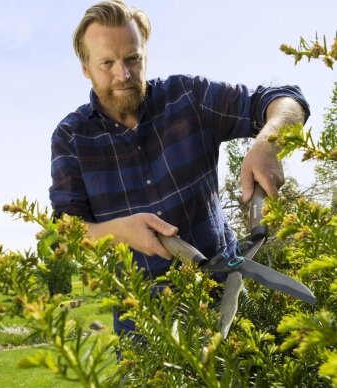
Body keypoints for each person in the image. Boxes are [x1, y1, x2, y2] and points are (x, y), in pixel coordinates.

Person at [49, 0, 310, 339]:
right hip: (144, 329)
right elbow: (63, 234)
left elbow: (286, 99)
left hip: (226, 298)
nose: (123, 75)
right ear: (85, 68)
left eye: (133, 58)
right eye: (107, 63)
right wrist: (117, 231)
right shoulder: (71, 137)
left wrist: (269, 142)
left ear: (145, 54)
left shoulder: (187, 96)